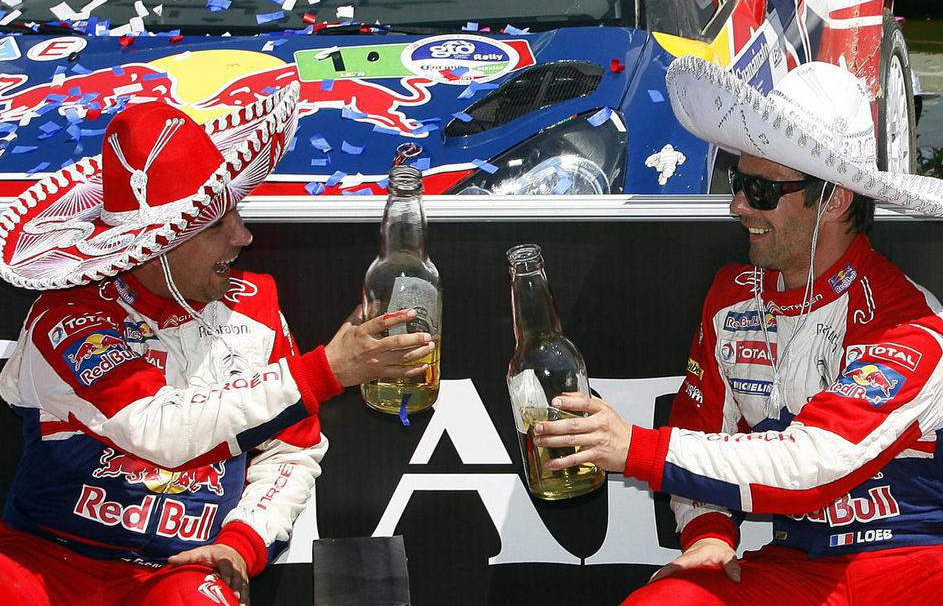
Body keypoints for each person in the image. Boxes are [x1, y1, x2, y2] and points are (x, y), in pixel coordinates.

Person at [0, 83, 435, 605]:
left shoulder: (255, 305)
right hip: (45, 562)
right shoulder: (68, 316)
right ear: (155, 245)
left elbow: (291, 451)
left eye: (236, 212)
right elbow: (158, 429)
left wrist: (241, 543)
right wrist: (325, 370)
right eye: (215, 224)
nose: (243, 236)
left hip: (176, 574)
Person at [534, 56, 943, 604]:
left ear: (835, 199)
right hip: (799, 562)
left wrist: (634, 447)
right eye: (737, 181)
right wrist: (707, 530)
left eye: (761, 189)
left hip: (916, 560)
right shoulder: (731, 298)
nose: (737, 205)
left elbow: (815, 464)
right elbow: (700, 426)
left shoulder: (910, 321)